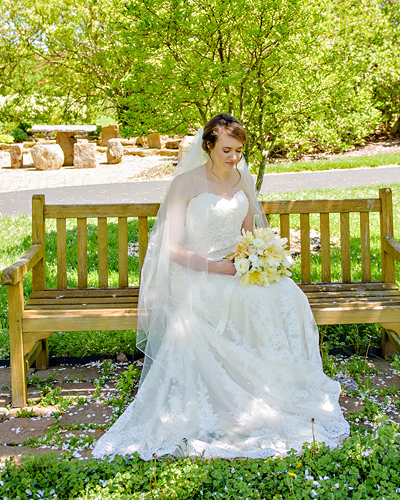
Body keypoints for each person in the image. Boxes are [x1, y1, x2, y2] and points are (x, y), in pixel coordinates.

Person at [92, 113, 349, 460]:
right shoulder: (187, 184)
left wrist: (258, 259)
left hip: (234, 266)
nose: (233, 157)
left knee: (286, 293)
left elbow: (248, 235)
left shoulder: (244, 180)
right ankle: (238, 391)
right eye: (227, 149)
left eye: (239, 150)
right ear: (209, 145)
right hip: (195, 272)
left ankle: (275, 384)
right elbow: (171, 248)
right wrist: (216, 267)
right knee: (242, 299)